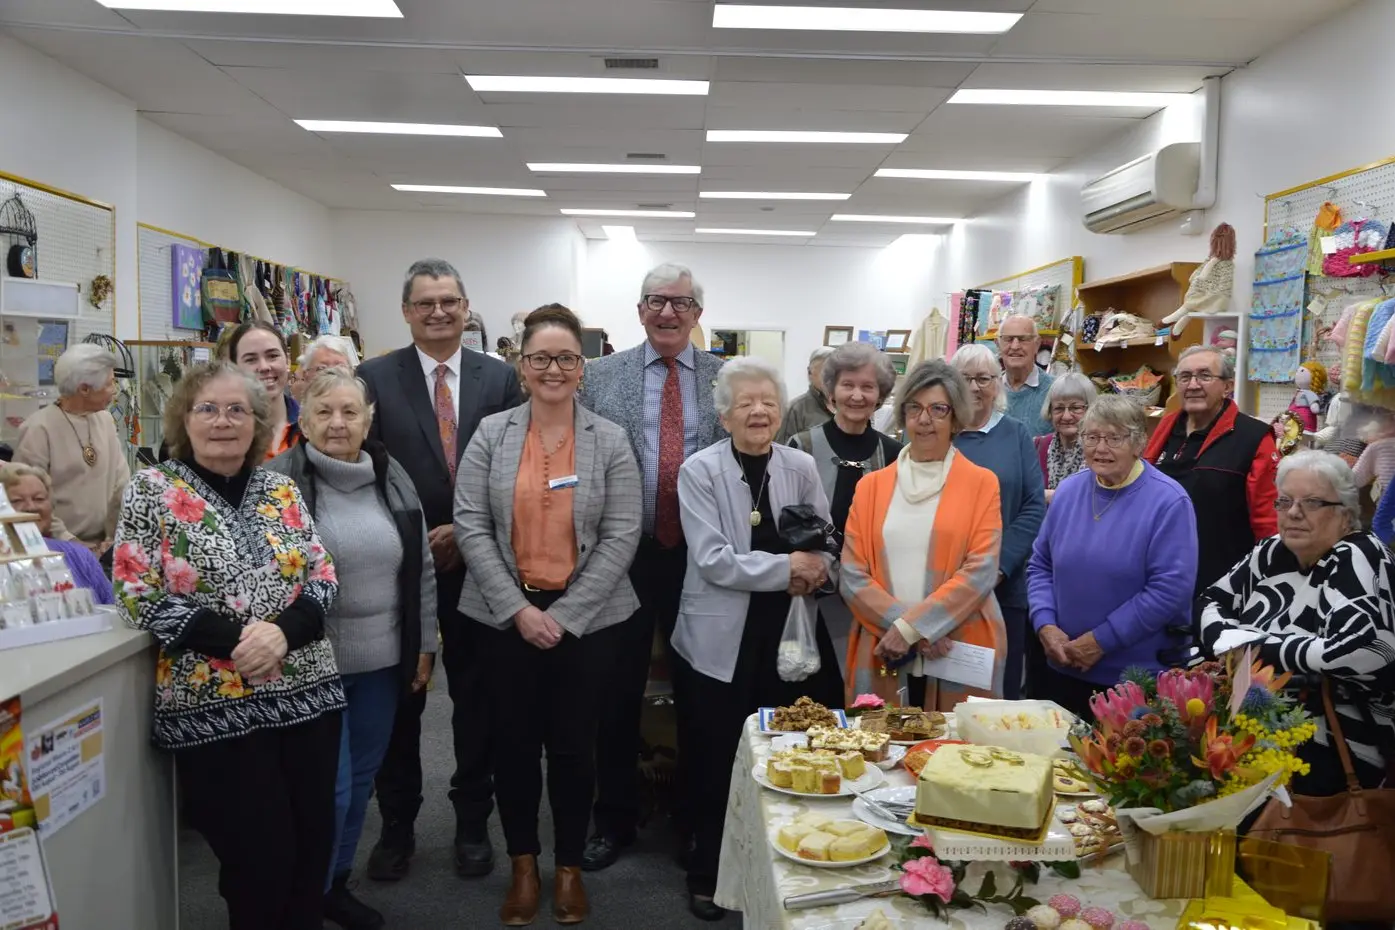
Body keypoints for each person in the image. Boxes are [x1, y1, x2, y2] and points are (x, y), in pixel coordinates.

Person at [113, 361, 344, 930]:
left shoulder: (281, 488)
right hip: (214, 707)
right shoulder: (151, 490)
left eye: (238, 409)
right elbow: (135, 591)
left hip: (307, 696)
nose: (223, 421)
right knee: (256, 859)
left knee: (313, 844)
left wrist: (283, 633)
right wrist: (242, 639)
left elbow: (322, 575)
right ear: (182, 419)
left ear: (259, 421)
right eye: (207, 409)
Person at [455, 305, 641, 926]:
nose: (553, 369)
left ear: (581, 369)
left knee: (572, 749)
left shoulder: (609, 440)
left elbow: (621, 535)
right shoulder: (490, 433)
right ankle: (524, 865)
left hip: (586, 620)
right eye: (541, 358)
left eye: (565, 358)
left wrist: (564, 614)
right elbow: (473, 527)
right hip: (505, 617)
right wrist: (518, 610)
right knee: (510, 746)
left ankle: (567, 869)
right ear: (522, 365)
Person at [356, 258, 522, 881]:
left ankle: (473, 820)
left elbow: (511, 464)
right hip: (399, 563)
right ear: (406, 311)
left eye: (449, 301)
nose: (438, 312)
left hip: (480, 563)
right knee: (404, 696)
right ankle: (397, 825)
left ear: (465, 306)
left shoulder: (499, 377)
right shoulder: (374, 377)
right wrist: (420, 534)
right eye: (425, 303)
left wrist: (466, 530)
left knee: (477, 698)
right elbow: (362, 464)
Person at [671, 357, 843, 920]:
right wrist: (789, 568)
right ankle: (708, 870)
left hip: (788, 633)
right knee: (716, 754)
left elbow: (824, 535)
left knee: (790, 748)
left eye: (768, 401)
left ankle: (788, 864)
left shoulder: (798, 463)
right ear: (724, 416)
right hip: (722, 638)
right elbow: (714, 559)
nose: (758, 411)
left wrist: (816, 564)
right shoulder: (699, 470)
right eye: (744, 402)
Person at [266, 369, 437, 930]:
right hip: (309, 664)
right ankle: (303, 896)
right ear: (303, 420)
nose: (338, 423)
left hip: (383, 662)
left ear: (367, 420)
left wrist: (424, 644)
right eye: (324, 412)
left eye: (350, 413)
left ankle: (333, 885)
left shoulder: (393, 478)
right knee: (327, 790)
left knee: (360, 783)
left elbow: (422, 571)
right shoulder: (277, 483)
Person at [576, 262, 726, 873]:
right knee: (614, 691)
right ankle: (613, 818)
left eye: (680, 302)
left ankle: (697, 824)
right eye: (656, 301)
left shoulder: (725, 377)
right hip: (623, 554)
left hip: (702, 556)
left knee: (702, 693)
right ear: (639, 310)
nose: (668, 313)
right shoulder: (600, 376)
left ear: (697, 312)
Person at [1200, 451, 1395, 797]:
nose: (1293, 513)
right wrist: (1235, 640)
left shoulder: (1359, 554)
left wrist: (1251, 644)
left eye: (1312, 502)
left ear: (1345, 513)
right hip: (1254, 727)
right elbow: (1210, 601)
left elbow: (1362, 650)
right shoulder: (1273, 551)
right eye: (1285, 501)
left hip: (1334, 741)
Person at [841, 359, 1007, 708]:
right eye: (914, 407)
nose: (924, 419)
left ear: (956, 417)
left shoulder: (981, 483)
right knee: (881, 753)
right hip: (882, 642)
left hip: (959, 643)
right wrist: (907, 630)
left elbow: (981, 570)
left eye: (938, 409)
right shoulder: (871, 486)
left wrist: (912, 629)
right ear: (902, 415)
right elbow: (853, 576)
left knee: (959, 755)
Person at [1027, 396, 1198, 720]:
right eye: (1091, 437)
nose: (1100, 447)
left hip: (1131, 682)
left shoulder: (1169, 501)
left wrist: (1101, 641)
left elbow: (1169, 590)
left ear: (1138, 444)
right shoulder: (1068, 492)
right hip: (1060, 668)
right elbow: (1041, 565)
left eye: (1113, 438)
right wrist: (1045, 624)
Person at [949, 344, 1046, 701]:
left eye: (985, 378)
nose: (975, 387)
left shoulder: (1016, 433)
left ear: (997, 383)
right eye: (966, 378)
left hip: (1003, 586)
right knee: (949, 692)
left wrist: (999, 566)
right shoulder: (939, 434)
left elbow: (1034, 506)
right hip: (945, 583)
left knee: (997, 695)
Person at [1144, 345, 1278, 596]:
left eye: (1205, 376)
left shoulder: (1253, 437)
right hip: (1159, 572)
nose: (1193, 385)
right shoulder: (1166, 426)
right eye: (1184, 377)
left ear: (1227, 386)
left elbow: (1268, 522)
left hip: (1223, 580)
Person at [14, 344, 129, 555]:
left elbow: (121, 484)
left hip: (106, 548)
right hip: (56, 549)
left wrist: (113, 539)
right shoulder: (39, 428)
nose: (114, 390)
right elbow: (25, 500)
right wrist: (72, 543)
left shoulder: (105, 420)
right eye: (109, 383)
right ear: (84, 389)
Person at [787, 341, 902, 535]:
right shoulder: (802, 446)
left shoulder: (894, 454)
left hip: (873, 563)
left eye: (867, 387)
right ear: (831, 391)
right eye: (848, 385)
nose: (857, 396)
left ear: (880, 396)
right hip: (813, 562)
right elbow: (786, 515)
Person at [0, 462, 113, 605]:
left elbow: (112, 609)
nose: (31, 507)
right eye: (16, 501)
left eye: (39, 499)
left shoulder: (79, 556)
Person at [224, 321, 301, 460]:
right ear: (234, 368)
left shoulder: (311, 426)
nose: (264, 367)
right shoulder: (223, 433)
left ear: (287, 361)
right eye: (251, 359)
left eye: (272, 356)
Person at [1034, 372, 1096, 502]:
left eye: (1075, 408)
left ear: (1091, 409)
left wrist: (1050, 496)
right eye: (1059, 408)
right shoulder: (1039, 446)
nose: (1066, 416)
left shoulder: (1100, 450)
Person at [998, 315, 1055, 437]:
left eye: (1023, 339)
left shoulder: (1055, 391)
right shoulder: (988, 391)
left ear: (1037, 345)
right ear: (998, 344)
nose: (1015, 346)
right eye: (1008, 339)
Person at [776, 346, 835, 444]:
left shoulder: (849, 405)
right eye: (825, 372)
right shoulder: (795, 409)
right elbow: (783, 449)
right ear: (810, 373)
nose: (830, 378)